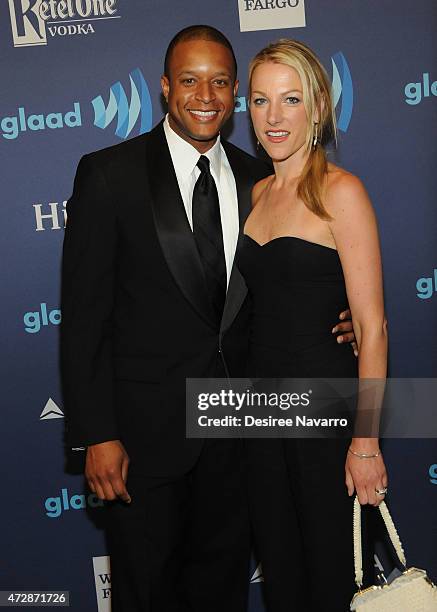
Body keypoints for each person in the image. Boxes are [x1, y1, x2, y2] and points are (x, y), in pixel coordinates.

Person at [60, 26, 357, 612]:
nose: (206, 95)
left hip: (238, 443)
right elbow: (84, 320)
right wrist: (97, 434)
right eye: (190, 80)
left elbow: (291, 278)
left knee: (221, 594)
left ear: (235, 95)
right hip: (142, 445)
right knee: (145, 595)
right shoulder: (108, 175)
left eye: (221, 81)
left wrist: (339, 313)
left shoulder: (261, 181)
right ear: (165, 88)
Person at [237, 39, 389, 611]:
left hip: (325, 415)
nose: (274, 117)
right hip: (258, 416)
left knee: (331, 576)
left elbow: (371, 327)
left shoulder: (341, 193)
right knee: (282, 578)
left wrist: (367, 442)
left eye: (290, 99)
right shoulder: (256, 193)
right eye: (259, 100)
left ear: (318, 107)